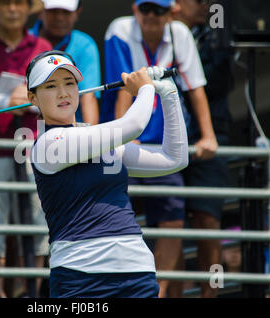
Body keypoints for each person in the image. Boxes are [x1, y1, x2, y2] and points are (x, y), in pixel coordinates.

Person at [27, 51, 189, 298]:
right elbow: (132, 126)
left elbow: (174, 159)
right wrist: (145, 89)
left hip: (136, 269)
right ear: (33, 97)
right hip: (79, 274)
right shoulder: (49, 144)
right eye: (50, 86)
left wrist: (168, 94)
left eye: (69, 83)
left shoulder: (98, 140)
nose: (63, 93)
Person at [101, 0, 217, 297]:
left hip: (162, 145)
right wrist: (122, 134)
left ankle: (157, 293)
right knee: (113, 218)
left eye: (159, 10)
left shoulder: (181, 34)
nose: (151, 16)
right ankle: (116, 292)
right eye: (146, 8)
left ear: (172, 12)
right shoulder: (119, 29)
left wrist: (208, 136)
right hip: (126, 142)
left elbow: (196, 88)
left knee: (171, 220)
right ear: (134, 9)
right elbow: (123, 87)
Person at [0, 0, 51, 298]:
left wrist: (31, 98)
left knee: (39, 220)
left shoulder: (42, 45)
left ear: (29, 8)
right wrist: (4, 101)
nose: (12, 9)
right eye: (6, 2)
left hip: (34, 150)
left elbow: (57, 96)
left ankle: (30, 293)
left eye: (19, 2)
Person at [174, 0, 234, 298]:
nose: (205, 5)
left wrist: (217, 40)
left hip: (208, 138)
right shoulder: (162, 33)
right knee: (169, 226)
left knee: (208, 223)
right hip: (167, 135)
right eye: (196, 0)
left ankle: (211, 296)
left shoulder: (215, 34)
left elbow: (221, 82)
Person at [29, 0, 100, 125]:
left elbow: (88, 97)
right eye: (53, 11)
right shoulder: (25, 41)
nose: (59, 18)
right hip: (29, 131)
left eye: (66, 12)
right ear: (40, 12)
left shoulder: (85, 45)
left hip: (73, 132)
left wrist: (89, 138)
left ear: (77, 12)